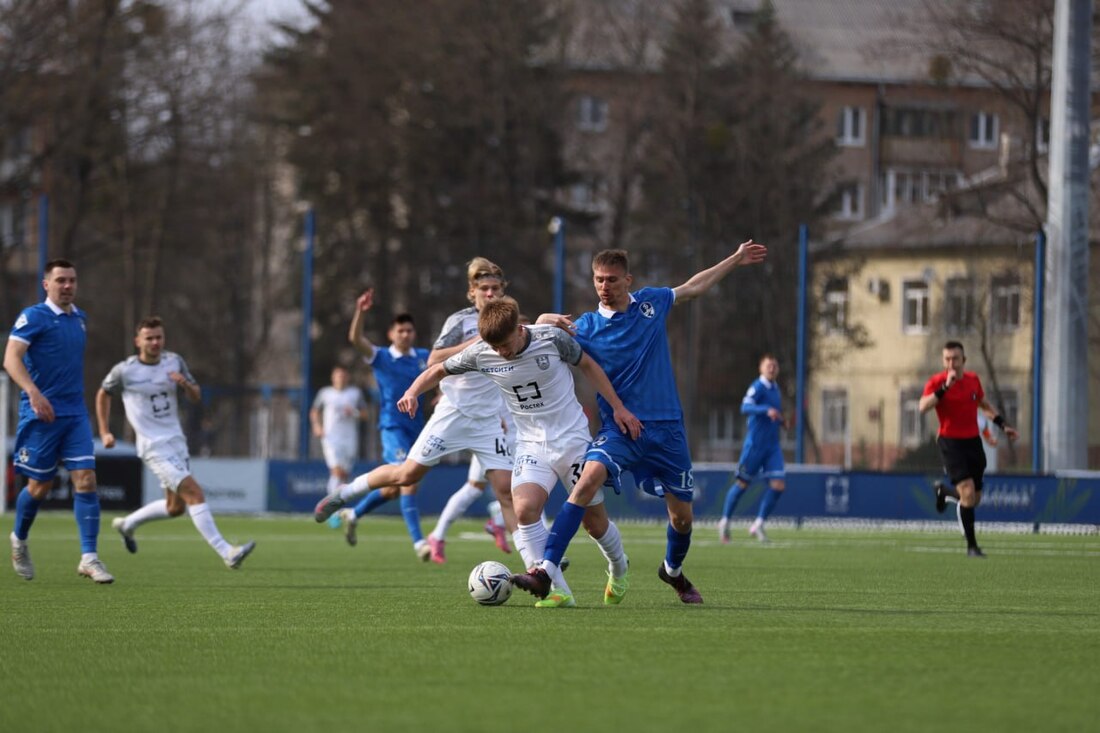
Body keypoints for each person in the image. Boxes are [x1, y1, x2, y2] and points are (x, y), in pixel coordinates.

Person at [513, 241, 767, 604]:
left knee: (682, 520)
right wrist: (539, 321)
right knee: (584, 484)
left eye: (612, 279)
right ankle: (545, 570)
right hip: (620, 429)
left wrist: (736, 258)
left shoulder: (651, 304)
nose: (605, 286)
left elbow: (693, 288)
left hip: (667, 431)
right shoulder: (583, 327)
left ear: (627, 280)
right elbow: (524, 338)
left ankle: (672, 572)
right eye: (599, 280)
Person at [397, 297, 641, 607]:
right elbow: (438, 370)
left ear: (519, 327)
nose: (501, 352)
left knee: (594, 522)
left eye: (505, 344)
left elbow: (589, 366)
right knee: (524, 509)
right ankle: (557, 590)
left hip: (573, 439)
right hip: (530, 443)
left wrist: (618, 408)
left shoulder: (551, 338)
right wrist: (412, 392)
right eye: (495, 347)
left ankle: (619, 566)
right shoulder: (482, 351)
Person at [314, 257, 518, 564]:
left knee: (506, 492)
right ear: (472, 292)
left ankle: (541, 567)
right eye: (484, 288)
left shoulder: (505, 322)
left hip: (484, 421)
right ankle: (352, 501)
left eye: (495, 289)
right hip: (426, 419)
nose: (490, 294)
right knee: (406, 477)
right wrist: (476, 342)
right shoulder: (447, 328)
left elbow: (457, 368)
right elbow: (435, 357)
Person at [96, 316, 256, 569]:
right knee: (195, 492)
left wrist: (185, 384)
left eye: (159, 337)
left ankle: (127, 525)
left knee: (175, 507)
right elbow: (103, 394)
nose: (155, 342)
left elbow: (196, 395)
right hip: (153, 446)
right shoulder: (125, 371)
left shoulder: (174, 361)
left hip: (176, 442)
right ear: (138, 341)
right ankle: (227, 552)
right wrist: (105, 431)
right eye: (149, 338)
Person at [3, 259, 113, 583]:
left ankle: (89, 558)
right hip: (41, 413)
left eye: (72, 280)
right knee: (40, 487)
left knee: (87, 480)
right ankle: (19, 540)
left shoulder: (80, 318)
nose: (67, 286)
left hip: (75, 412)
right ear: (46, 284)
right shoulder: (33, 317)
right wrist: (34, 393)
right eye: (61, 280)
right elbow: (10, 359)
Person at [335, 292, 431, 553]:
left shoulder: (423, 356)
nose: (405, 334)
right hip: (392, 427)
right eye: (400, 330)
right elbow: (355, 339)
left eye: (409, 330)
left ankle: (353, 515)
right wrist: (361, 312)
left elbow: (443, 373)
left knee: (392, 489)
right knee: (408, 479)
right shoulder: (381, 357)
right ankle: (419, 542)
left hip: (417, 427)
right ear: (391, 334)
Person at [919, 340, 1018, 557]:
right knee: (967, 493)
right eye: (947, 359)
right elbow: (923, 406)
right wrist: (945, 387)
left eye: (955, 358)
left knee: (974, 498)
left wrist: (1003, 425)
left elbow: (984, 405)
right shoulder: (937, 382)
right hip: (950, 443)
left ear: (963, 360)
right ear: (943, 361)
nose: (951, 363)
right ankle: (972, 547)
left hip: (972, 442)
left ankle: (944, 492)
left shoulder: (973, 380)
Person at [718, 353, 787, 544]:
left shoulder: (776, 388)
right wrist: (766, 410)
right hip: (755, 446)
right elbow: (745, 407)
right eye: (768, 365)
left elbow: (771, 415)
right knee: (742, 484)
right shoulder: (758, 387)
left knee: (779, 484)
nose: (772, 368)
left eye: (774, 365)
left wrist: (780, 420)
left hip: (772, 447)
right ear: (761, 368)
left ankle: (759, 524)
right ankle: (725, 521)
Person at [310, 365, 368, 496]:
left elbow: (365, 414)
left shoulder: (355, 393)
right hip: (331, 437)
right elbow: (314, 411)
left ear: (348, 377)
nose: (340, 378)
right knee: (336, 470)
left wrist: (354, 412)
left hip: (349, 437)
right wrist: (317, 426)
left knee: (344, 474)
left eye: (343, 375)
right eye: (338, 375)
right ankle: (331, 506)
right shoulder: (325, 393)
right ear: (333, 378)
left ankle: (339, 504)